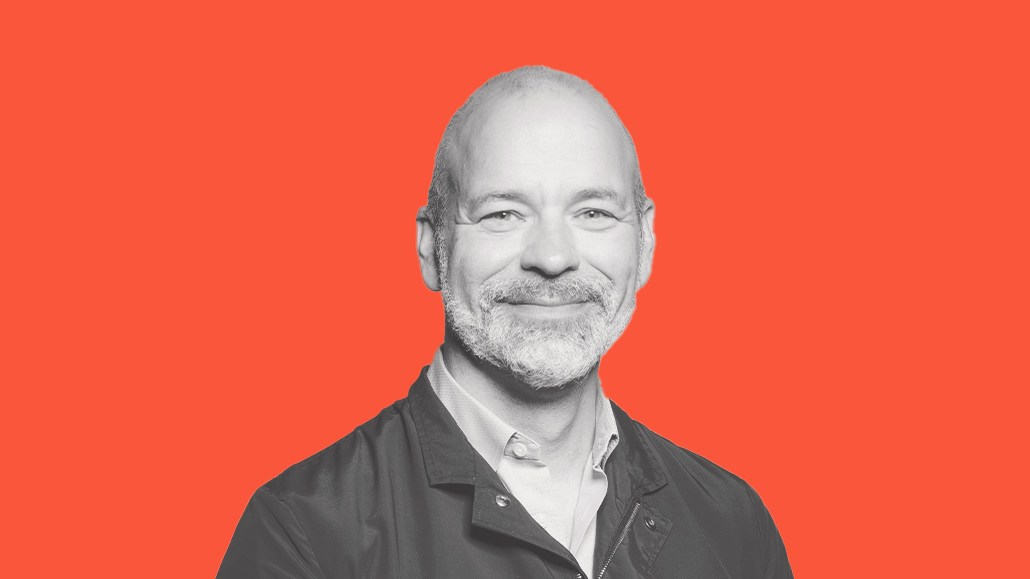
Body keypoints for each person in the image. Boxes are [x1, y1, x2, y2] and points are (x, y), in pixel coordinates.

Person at [217, 65, 793, 579]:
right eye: (503, 214)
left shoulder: (732, 524)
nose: (552, 257)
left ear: (644, 242)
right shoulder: (305, 538)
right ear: (432, 247)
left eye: (593, 212)